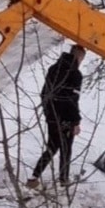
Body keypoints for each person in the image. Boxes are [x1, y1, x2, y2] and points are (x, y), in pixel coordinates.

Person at [27, 44, 86, 188]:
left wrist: (49, 112)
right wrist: (75, 121)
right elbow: (72, 100)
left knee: (52, 147)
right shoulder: (75, 75)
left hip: (52, 116)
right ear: (79, 57)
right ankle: (64, 179)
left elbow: (44, 93)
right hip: (66, 119)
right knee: (66, 150)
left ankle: (34, 176)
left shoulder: (54, 69)